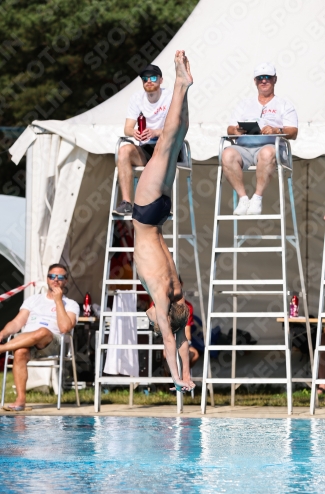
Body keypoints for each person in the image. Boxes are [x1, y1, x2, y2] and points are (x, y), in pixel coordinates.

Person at [132, 50, 194, 393]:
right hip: (145, 215)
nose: (150, 317)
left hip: (160, 213)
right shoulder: (160, 293)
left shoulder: (177, 293)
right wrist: (176, 376)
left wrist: (188, 374)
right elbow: (172, 341)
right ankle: (181, 86)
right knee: (167, 142)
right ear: (161, 318)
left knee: (177, 137)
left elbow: (182, 336)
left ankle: (184, 88)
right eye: (153, 320)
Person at [0, 263, 80, 411]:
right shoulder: (33, 300)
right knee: (20, 352)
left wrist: (58, 301)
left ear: (66, 281)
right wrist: (1, 335)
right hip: (28, 341)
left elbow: (65, 328)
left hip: (53, 343)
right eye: (52, 276)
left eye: (60, 277)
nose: (55, 280)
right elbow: (17, 322)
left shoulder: (70, 304)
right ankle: (20, 400)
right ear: (47, 279)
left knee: (43, 331)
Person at [222, 62, 298, 215]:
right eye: (260, 78)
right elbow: (230, 129)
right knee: (227, 153)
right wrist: (237, 130)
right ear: (255, 81)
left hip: (271, 147)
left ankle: (257, 198)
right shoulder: (244, 104)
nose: (264, 81)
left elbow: (293, 132)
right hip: (244, 148)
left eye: (268, 77)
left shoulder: (284, 104)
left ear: (275, 80)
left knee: (267, 152)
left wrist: (276, 130)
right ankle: (243, 198)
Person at [113, 63, 173, 216]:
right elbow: (127, 128)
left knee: (162, 144)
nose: (149, 81)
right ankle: (126, 202)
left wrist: (156, 132)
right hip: (146, 149)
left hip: (167, 147)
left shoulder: (170, 96)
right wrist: (135, 133)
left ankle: (161, 201)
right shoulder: (136, 98)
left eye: (153, 77)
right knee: (124, 150)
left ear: (161, 80)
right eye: (145, 79)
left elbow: (176, 128)